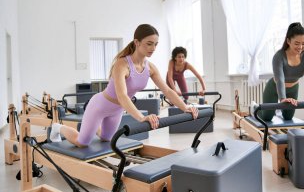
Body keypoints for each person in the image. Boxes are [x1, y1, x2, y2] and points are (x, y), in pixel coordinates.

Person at [50, 24, 198, 147]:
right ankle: (58, 128)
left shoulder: (150, 67)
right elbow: (122, 96)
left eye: (155, 44)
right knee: (82, 142)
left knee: (106, 139)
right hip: (99, 105)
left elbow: (167, 90)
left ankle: (94, 127)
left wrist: (185, 107)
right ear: (137, 42)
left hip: (117, 111)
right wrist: (141, 118)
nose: (153, 48)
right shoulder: (122, 64)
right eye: (149, 43)